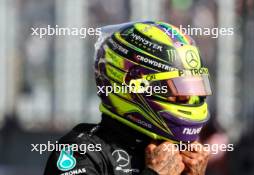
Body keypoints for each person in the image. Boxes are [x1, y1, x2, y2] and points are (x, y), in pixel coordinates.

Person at [44, 21, 212, 175]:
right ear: (132, 85)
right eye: (177, 89)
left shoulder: (182, 158)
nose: (188, 99)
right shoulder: (81, 151)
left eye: (192, 88)